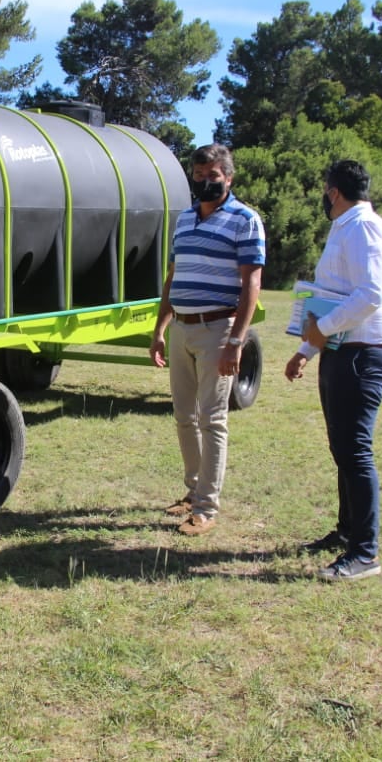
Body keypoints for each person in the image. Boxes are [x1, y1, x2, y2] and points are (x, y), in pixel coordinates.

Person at [285, 159, 382, 582]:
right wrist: (306, 349)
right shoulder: (347, 228)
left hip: (363, 352)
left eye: (324, 190)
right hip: (342, 349)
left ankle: (365, 553)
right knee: (342, 449)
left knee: (354, 451)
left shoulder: (364, 228)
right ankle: (347, 531)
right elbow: (334, 297)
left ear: (333, 191)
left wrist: (322, 329)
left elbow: (371, 295)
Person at [149, 144, 265, 536]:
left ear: (229, 178)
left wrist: (237, 341)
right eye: (199, 176)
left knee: (212, 419)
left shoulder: (245, 220)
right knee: (184, 417)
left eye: (213, 176)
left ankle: (206, 508)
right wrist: (160, 329)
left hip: (218, 329)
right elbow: (172, 276)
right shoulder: (183, 219)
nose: (205, 182)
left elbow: (252, 281)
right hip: (181, 326)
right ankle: (192, 490)